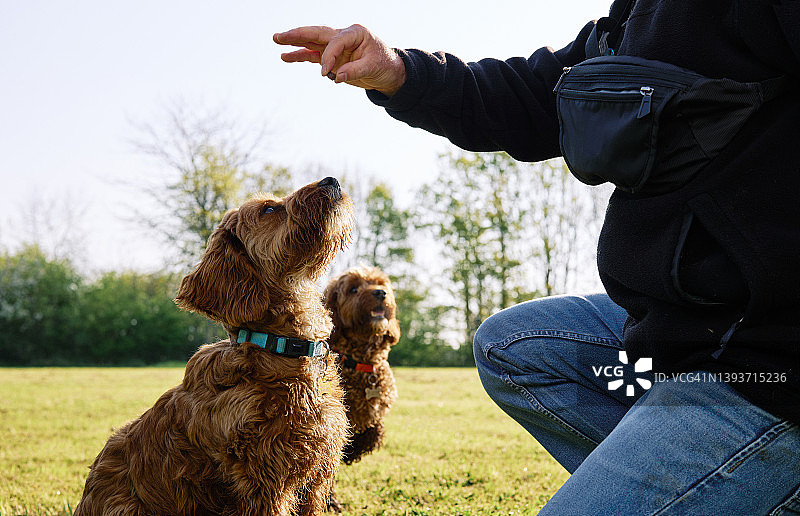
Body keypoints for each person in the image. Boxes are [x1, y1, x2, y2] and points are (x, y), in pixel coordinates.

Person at [274, 1, 800, 513]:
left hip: (766, 366)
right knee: (515, 345)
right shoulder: (634, 16)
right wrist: (398, 72)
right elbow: (532, 95)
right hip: (680, 333)